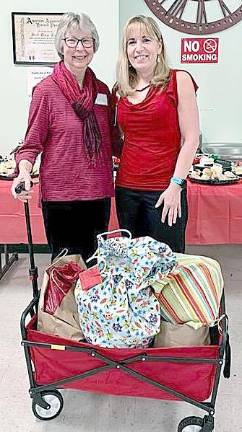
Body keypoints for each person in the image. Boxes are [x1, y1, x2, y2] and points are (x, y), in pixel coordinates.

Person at [12, 12, 120, 262]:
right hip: (61, 196)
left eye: (86, 41)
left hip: (98, 193)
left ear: (94, 46)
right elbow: (30, 145)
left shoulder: (102, 91)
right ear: (61, 45)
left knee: (94, 265)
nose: (79, 48)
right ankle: (62, 304)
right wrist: (24, 171)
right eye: (72, 41)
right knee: (65, 267)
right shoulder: (46, 91)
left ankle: (88, 304)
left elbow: (113, 142)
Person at [114, 15, 200, 253]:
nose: (139, 48)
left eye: (146, 40)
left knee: (167, 264)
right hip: (126, 190)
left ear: (159, 45)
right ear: (126, 51)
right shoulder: (120, 90)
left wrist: (176, 185)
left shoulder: (178, 80)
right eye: (131, 42)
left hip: (165, 189)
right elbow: (123, 139)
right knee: (133, 263)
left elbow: (191, 138)